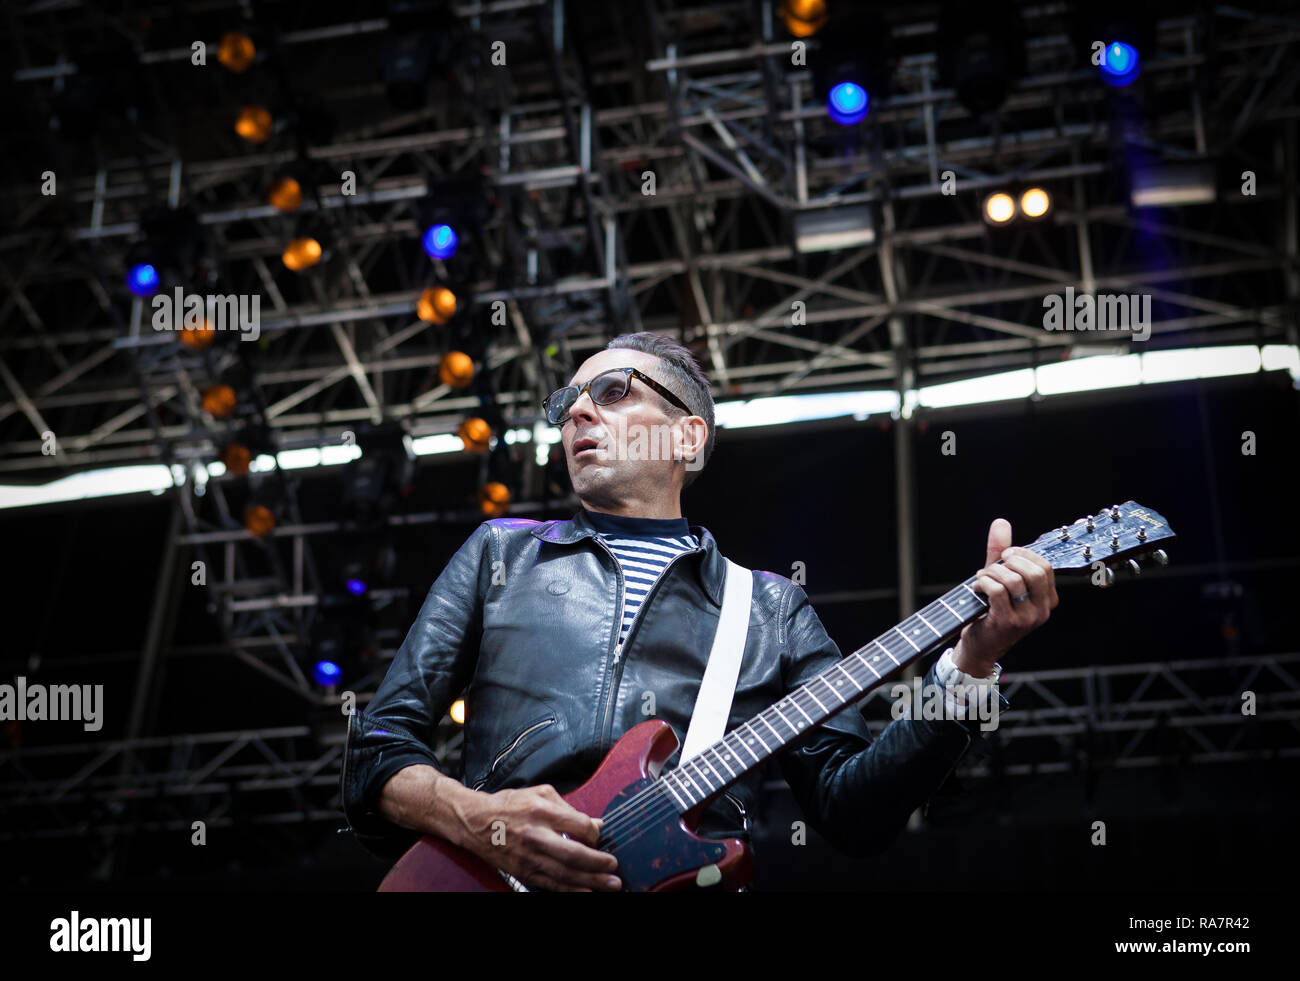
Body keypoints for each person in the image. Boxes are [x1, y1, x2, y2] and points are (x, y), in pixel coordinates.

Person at [340, 331, 1058, 891]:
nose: (578, 411)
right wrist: (481, 816)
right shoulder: (500, 553)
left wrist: (971, 663)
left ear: (687, 437)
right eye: (568, 403)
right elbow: (375, 750)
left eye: (613, 390)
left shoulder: (769, 607)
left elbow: (855, 811)